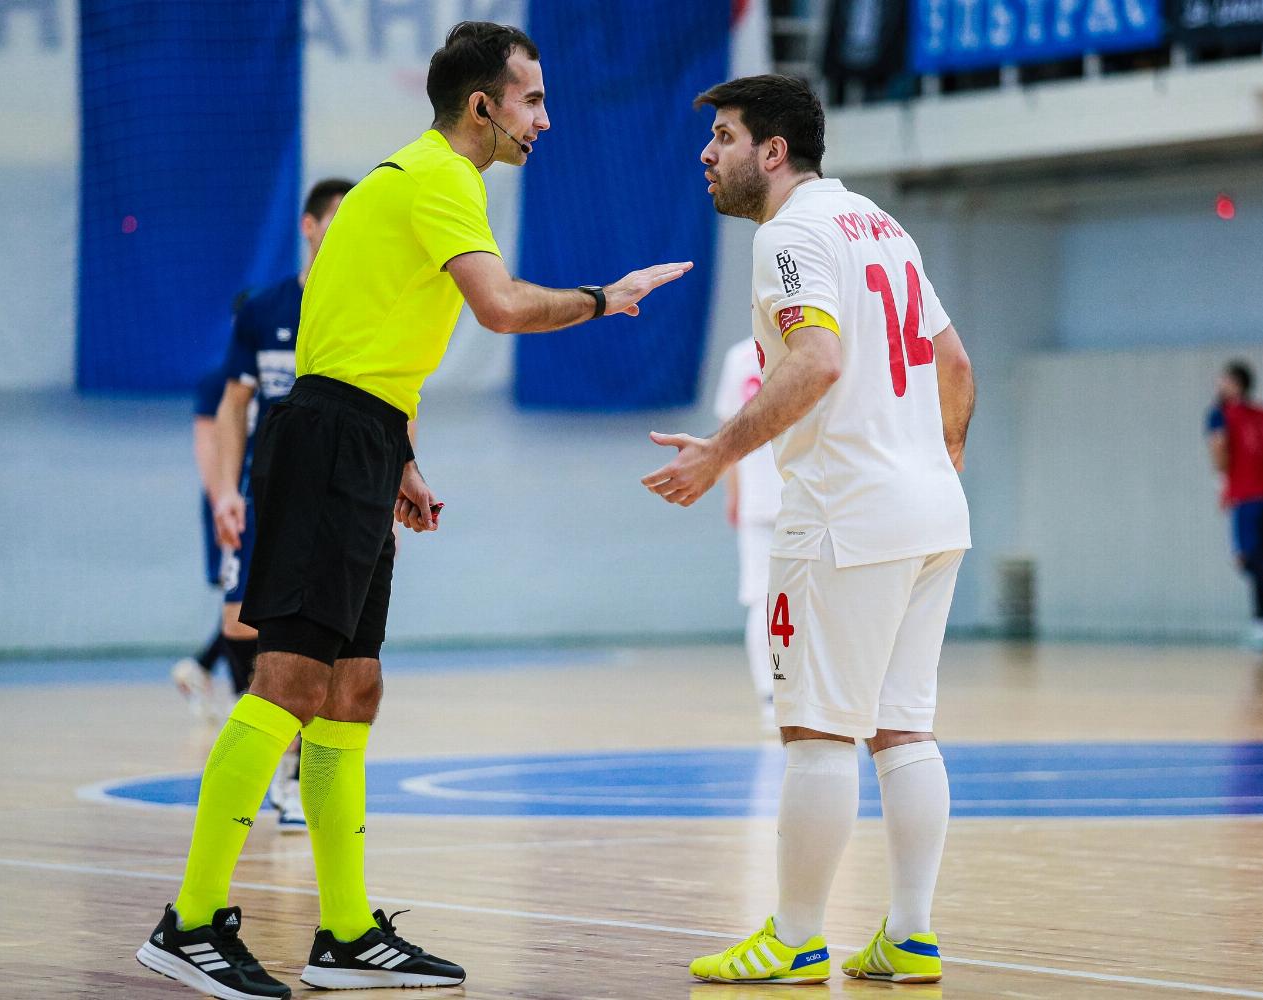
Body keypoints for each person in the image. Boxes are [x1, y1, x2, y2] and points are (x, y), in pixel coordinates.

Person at [135, 21, 691, 1000]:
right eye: (532, 100)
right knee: (287, 678)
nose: (545, 120)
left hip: (361, 434)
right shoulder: (441, 175)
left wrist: (399, 455)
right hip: (328, 440)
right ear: (482, 106)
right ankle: (190, 921)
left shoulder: (407, 182)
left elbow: (363, 335)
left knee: (354, 687)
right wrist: (608, 298)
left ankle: (346, 933)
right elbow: (501, 308)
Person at [643, 74, 974, 986]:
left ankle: (794, 937)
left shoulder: (788, 234)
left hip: (844, 515)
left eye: (723, 137)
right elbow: (953, 361)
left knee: (817, 733)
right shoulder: (882, 225)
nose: (707, 154)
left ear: (774, 150)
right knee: (904, 730)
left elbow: (818, 359)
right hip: (929, 512)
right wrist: (935, 460)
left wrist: (718, 453)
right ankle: (910, 935)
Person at [210, 178, 355, 830]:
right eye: (337, 219)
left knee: (321, 640)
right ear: (309, 225)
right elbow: (232, 405)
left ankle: (294, 772)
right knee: (239, 624)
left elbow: (401, 403)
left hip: (338, 497)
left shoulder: (362, 304)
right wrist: (224, 491)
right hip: (267, 491)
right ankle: (269, 740)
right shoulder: (264, 309)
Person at [714, 336, 786, 728]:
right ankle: (812, 697)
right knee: (823, 597)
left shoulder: (740, 356)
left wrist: (735, 494)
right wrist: (735, 494)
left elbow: (727, 435)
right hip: (807, 495)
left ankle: (771, 697)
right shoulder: (814, 344)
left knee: (763, 600)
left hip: (759, 498)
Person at [1205, 360, 1263, 650]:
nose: (1217, 386)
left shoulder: (1220, 414)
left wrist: (1224, 483)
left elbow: (1219, 447)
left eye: (1222, 381)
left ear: (1236, 384)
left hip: (1247, 494)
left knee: (1246, 557)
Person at [172, 366, 237, 719]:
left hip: (261, 497)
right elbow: (206, 443)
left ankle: (202, 668)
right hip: (233, 503)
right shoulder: (220, 379)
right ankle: (234, 685)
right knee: (244, 598)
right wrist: (221, 503)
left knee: (255, 598)